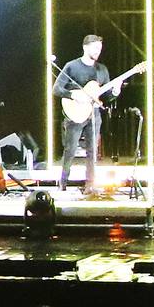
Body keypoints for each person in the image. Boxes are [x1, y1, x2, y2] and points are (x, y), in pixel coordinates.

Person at [53, 34, 112, 192]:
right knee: (70, 149)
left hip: (94, 114)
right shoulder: (72, 66)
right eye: (95, 48)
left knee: (93, 150)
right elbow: (57, 88)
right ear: (85, 47)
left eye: (100, 48)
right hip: (75, 113)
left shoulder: (102, 70)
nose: (98, 51)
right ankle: (63, 182)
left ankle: (90, 184)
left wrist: (116, 91)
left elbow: (106, 96)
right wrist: (73, 95)